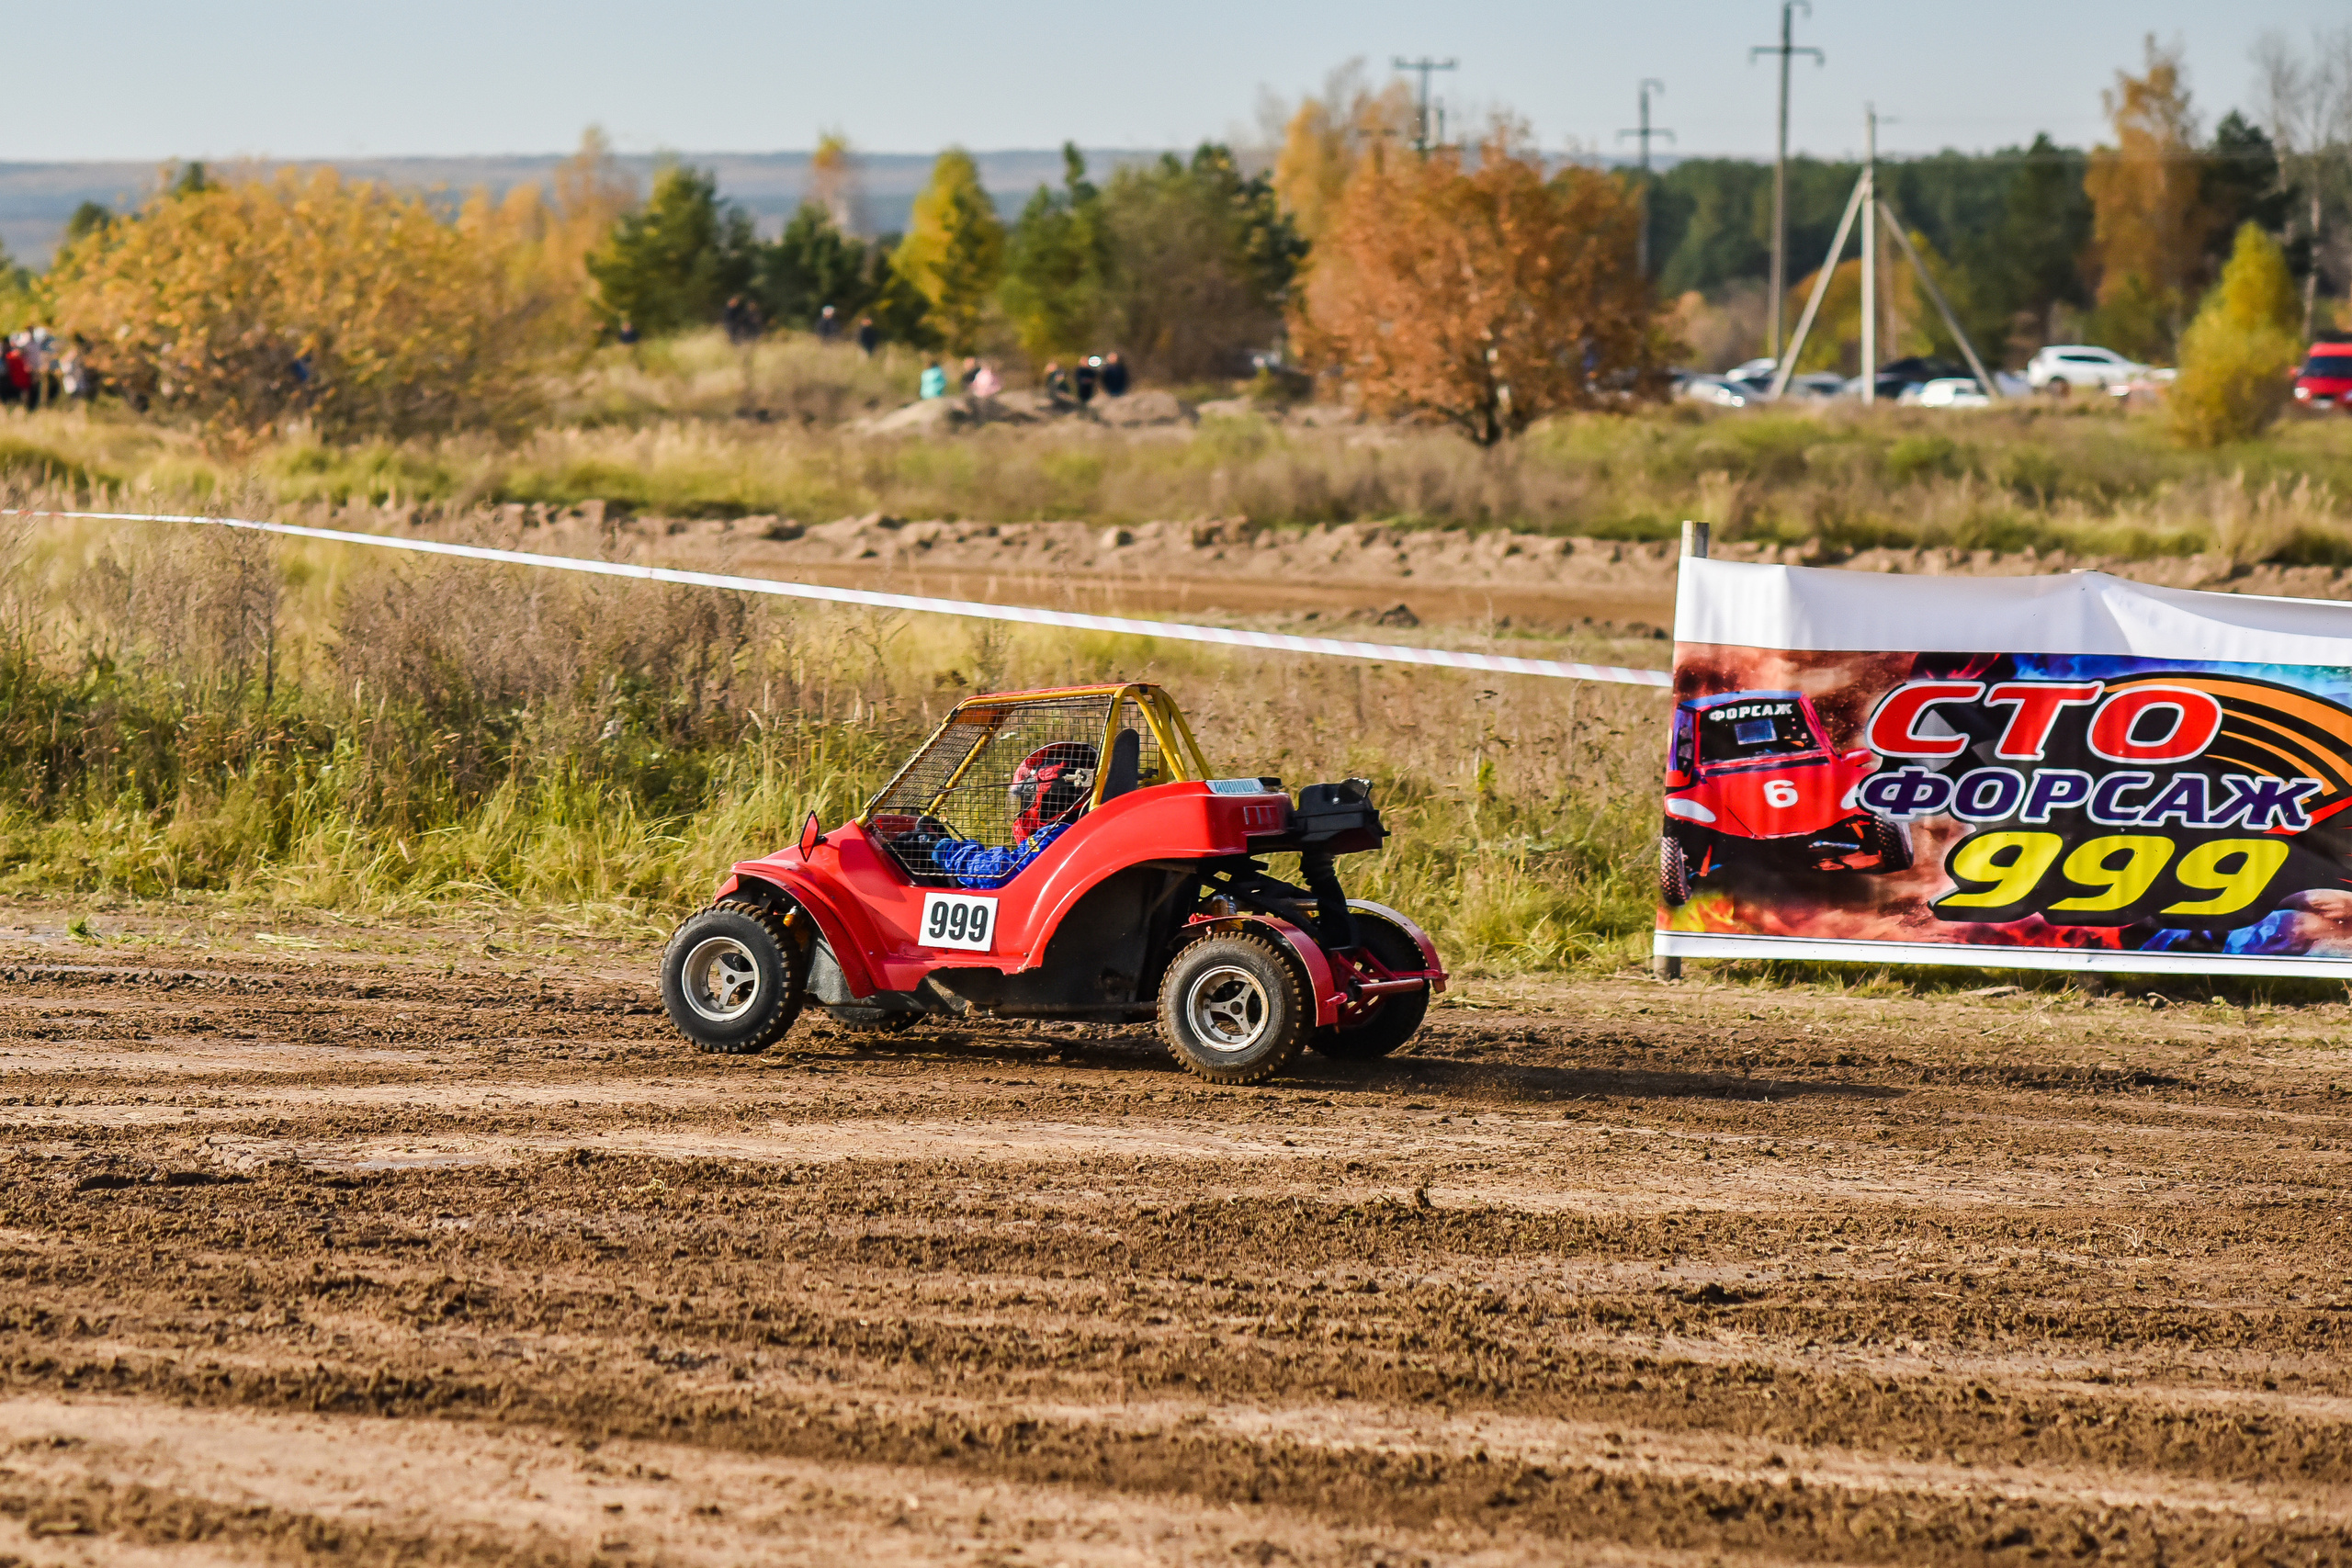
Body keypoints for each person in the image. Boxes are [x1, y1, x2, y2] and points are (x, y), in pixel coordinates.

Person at [933, 742, 1098, 888]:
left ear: (1052, 794)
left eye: (1027, 798)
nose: (1024, 808)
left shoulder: (1061, 834)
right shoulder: (1086, 826)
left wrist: (946, 852)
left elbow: (1001, 872)